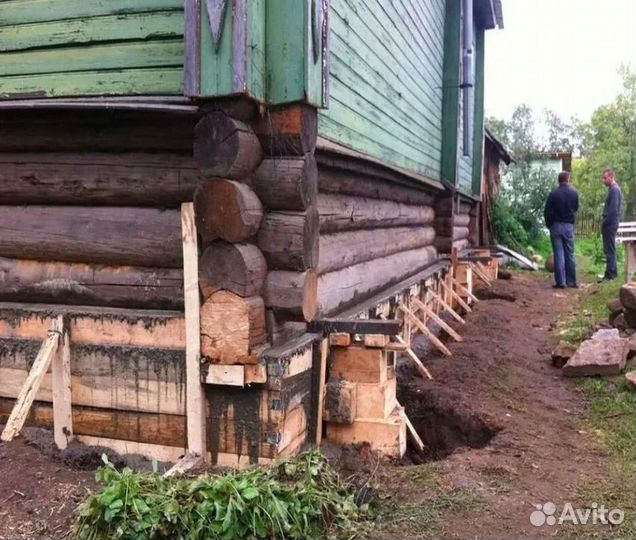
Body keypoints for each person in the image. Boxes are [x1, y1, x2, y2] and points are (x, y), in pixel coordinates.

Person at [544, 171, 579, 289]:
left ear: (559, 180)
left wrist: (550, 224)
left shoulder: (553, 194)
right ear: (568, 179)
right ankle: (572, 281)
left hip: (556, 226)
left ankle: (561, 282)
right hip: (568, 226)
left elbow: (547, 211)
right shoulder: (574, 193)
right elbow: (575, 208)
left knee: (558, 254)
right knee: (570, 254)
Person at [599, 168, 623, 282]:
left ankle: (610, 275)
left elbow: (613, 210)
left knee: (609, 250)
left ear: (611, 177)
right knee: (609, 249)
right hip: (611, 223)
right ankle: (611, 273)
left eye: (605, 178)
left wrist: (605, 222)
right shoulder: (612, 189)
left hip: (610, 224)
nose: (603, 180)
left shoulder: (614, 190)